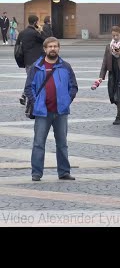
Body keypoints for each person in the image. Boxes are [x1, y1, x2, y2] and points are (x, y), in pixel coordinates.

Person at [24, 37, 78, 182]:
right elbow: (29, 88)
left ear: (59, 48)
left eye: (55, 46)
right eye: (50, 46)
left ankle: (64, 172)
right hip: (42, 112)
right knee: (38, 143)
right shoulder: (37, 67)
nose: (52, 49)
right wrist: (36, 103)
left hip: (61, 112)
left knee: (62, 144)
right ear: (45, 49)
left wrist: (66, 100)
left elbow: (73, 87)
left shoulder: (65, 66)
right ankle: (36, 173)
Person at [96, 25, 120, 125]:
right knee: (113, 94)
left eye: (116, 35)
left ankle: (118, 117)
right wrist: (101, 76)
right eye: (113, 35)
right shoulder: (109, 46)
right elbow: (105, 61)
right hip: (112, 73)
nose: (115, 37)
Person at [15, 15, 47, 105]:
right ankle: (27, 97)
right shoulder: (35, 33)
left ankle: (24, 96)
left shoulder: (22, 33)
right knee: (33, 79)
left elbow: (17, 45)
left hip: (27, 60)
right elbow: (46, 40)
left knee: (31, 79)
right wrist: (41, 30)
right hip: (37, 60)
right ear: (35, 22)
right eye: (37, 22)